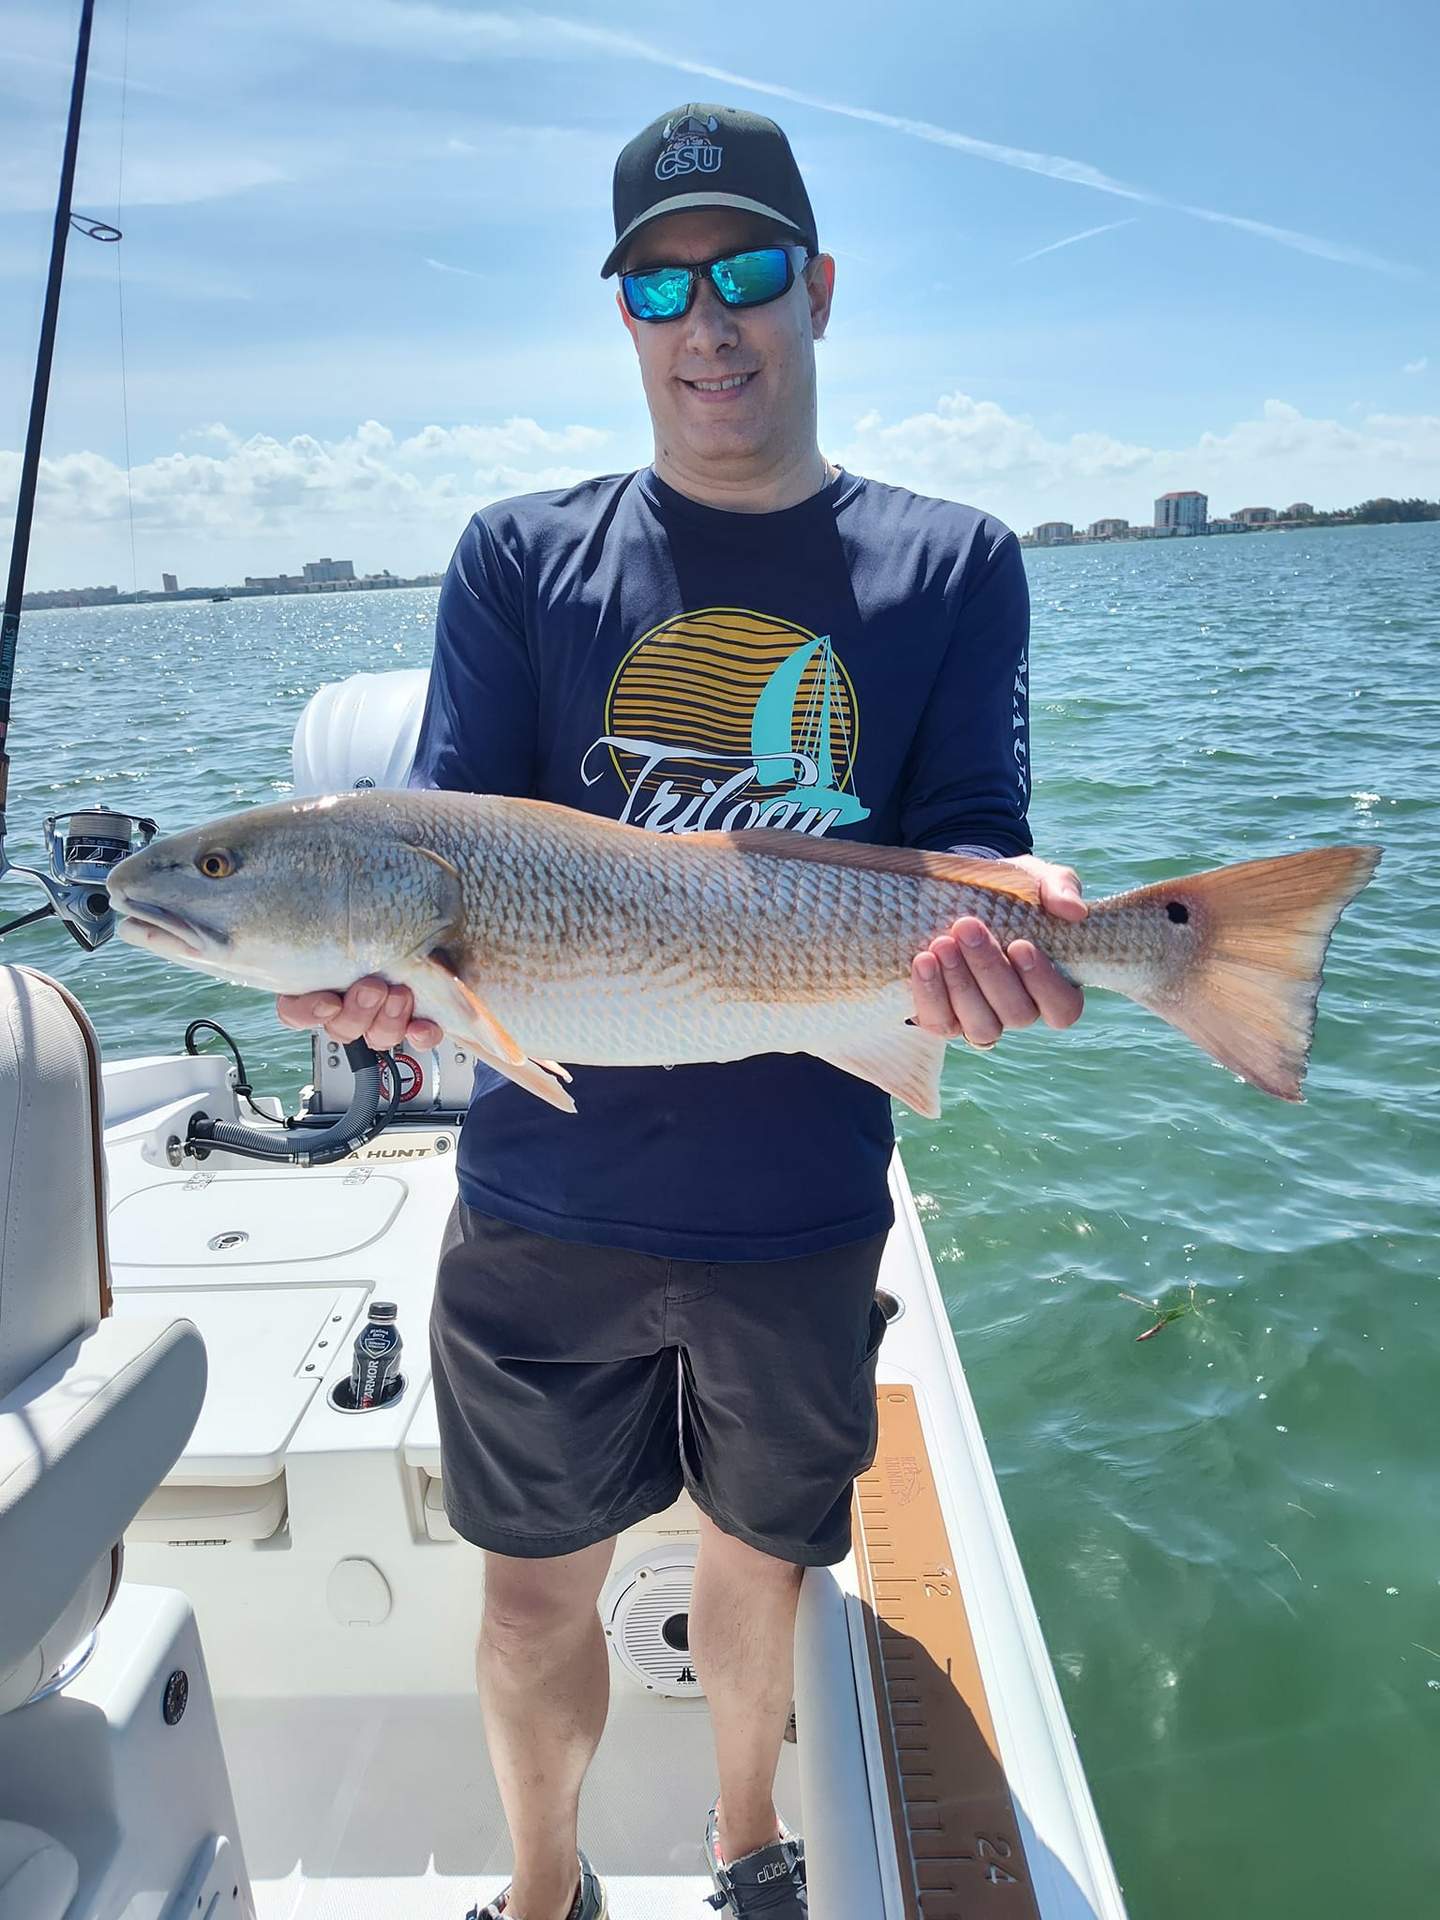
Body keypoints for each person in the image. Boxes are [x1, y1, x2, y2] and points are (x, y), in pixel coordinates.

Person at [278, 103, 1085, 1920]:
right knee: (530, 1591)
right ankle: (544, 1889)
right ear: (626, 316)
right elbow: (448, 840)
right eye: (660, 282)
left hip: (797, 1196)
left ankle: (745, 1842)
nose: (704, 320)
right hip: (545, 1200)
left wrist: (1000, 958)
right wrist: (391, 993)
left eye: (740, 274)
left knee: (758, 1566)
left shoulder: (950, 564)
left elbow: (973, 848)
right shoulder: (518, 556)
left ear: (815, 287)